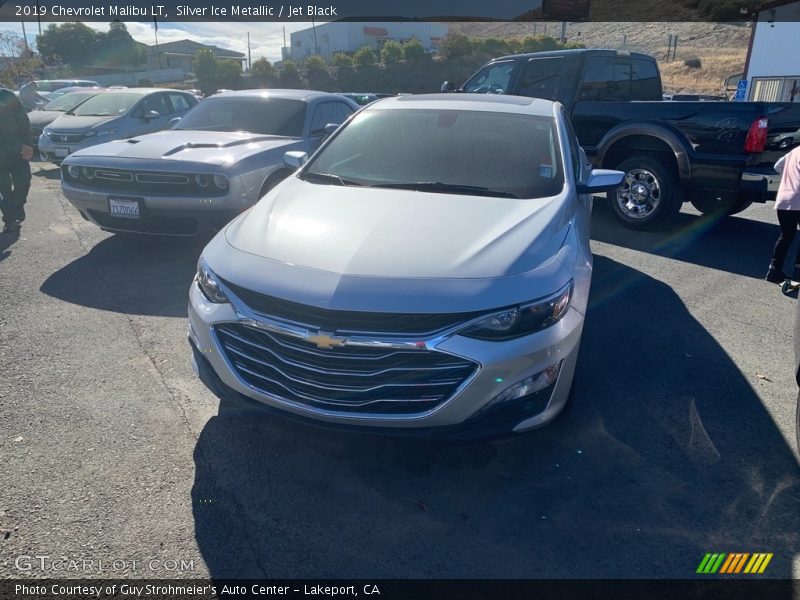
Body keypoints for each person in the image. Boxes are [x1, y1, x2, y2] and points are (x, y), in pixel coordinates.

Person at [0, 87, 33, 234]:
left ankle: (18, 206)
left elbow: (23, 120)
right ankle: (10, 219)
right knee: (3, 188)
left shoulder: (7, 95)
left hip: (16, 150)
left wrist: (27, 143)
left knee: (24, 181)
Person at [766, 145, 800, 283]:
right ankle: (798, 271)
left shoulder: (795, 150)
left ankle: (773, 270)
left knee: (786, 235)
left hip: (784, 200)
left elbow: (777, 167)